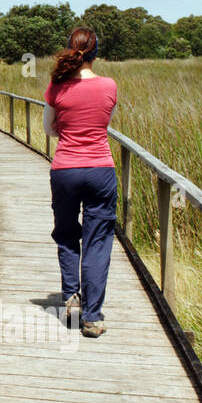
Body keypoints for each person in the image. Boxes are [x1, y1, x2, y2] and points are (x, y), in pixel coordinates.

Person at [42, 27, 118, 338]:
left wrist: (67, 126)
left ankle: (71, 296)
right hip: (101, 170)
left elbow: (49, 130)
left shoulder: (56, 87)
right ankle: (93, 317)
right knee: (98, 242)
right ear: (96, 52)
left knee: (67, 234)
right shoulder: (109, 86)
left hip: (66, 171)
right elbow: (104, 124)